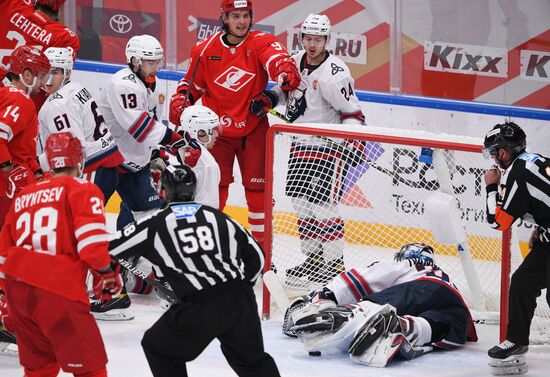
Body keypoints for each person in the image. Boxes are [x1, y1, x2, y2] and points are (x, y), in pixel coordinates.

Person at [108, 165, 281, 377]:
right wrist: (243, 286)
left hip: (201, 304)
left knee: (158, 349)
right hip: (240, 299)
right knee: (252, 362)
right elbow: (256, 255)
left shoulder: (155, 224)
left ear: (163, 190)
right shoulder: (219, 217)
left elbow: (109, 246)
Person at [169, 0, 301, 249]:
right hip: (215, 134)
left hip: (254, 130)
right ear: (225, 18)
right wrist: (180, 100)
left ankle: (263, 253)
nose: (241, 21)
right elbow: (192, 85)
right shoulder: (204, 48)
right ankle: (209, 248)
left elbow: (276, 58)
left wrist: (284, 70)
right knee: (213, 190)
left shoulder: (261, 41)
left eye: (246, 15)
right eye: (236, 16)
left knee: (258, 195)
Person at [250, 14, 366, 284]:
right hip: (299, 143)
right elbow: (285, 91)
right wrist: (270, 97)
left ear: (327, 40)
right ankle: (313, 259)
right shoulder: (293, 60)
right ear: (301, 38)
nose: (312, 44)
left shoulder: (335, 73)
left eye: (318, 39)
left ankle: (334, 264)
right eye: (308, 38)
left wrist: (353, 141)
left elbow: (351, 111)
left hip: (328, 147)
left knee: (324, 206)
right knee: (302, 204)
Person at [0, 132, 122, 376]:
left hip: (20, 295)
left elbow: (4, 253)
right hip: (58, 290)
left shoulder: (25, 195)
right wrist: (107, 274)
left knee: (40, 369)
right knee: (91, 369)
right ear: (79, 160)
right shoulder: (82, 189)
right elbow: (92, 246)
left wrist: (5, 299)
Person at [96, 34, 199, 317]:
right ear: (134, 60)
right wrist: (174, 140)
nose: (155, 67)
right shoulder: (123, 84)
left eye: (157, 61)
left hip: (134, 165)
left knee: (152, 217)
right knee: (87, 224)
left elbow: (151, 128)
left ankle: (147, 269)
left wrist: (157, 154)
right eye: (149, 62)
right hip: (105, 164)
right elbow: (139, 127)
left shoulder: (148, 86)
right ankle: (80, 280)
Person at [283, 243, 478, 367]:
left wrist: (325, 295)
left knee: (378, 306)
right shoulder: (446, 278)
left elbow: (366, 278)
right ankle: (403, 326)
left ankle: (354, 315)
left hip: (419, 290)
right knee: (432, 326)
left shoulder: (411, 266)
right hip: (457, 312)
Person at [482, 122, 550, 374]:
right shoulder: (535, 160)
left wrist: (490, 186)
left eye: (494, 152)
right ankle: (517, 340)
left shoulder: (518, 172)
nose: (493, 159)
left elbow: (498, 222)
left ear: (503, 151)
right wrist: (542, 227)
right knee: (523, 282)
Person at [38, 46, 124, 190]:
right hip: (107, 165)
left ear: (67, 73)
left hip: (92, 169)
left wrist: (37, 166)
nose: (48, 79)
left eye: (55, 72)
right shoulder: (75, 87)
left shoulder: (56, 105)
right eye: (45, 71)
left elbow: (71, 149)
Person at [0, 46, 51, 230]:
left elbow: (21, 148)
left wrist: (36, 172)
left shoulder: (8, 95)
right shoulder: (20, 100)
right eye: (42, 76)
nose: (44, 83)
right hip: (7, 191)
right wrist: (9, 173)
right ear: (27, 75)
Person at [0, 0, 80, 109]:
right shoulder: (65, 37)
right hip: (22, 109)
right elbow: (56, 81)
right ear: (59, 10)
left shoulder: (12, 4)